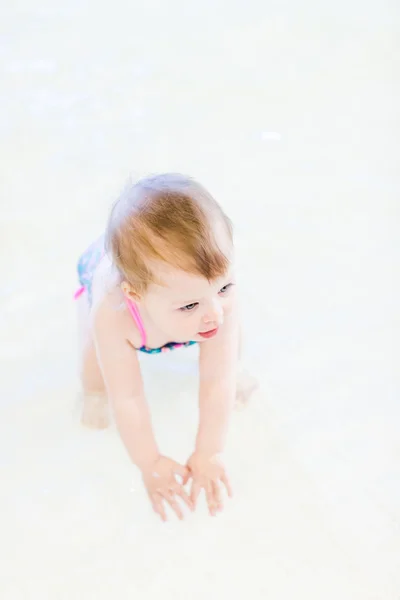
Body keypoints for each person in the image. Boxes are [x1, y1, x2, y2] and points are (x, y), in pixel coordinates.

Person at [75, 173, 257, 521]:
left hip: (177, 287)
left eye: (225, 287)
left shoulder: (212, 295)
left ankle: (235, 361)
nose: (214, 313)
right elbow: (128, 398)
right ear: (136, 296)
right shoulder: (113, 313)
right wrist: (149, 462)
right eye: (190, 306)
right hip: (115, 298)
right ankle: (92, 393)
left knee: (229, 349)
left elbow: (215, 381)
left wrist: (209, 451)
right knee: (95, 362)